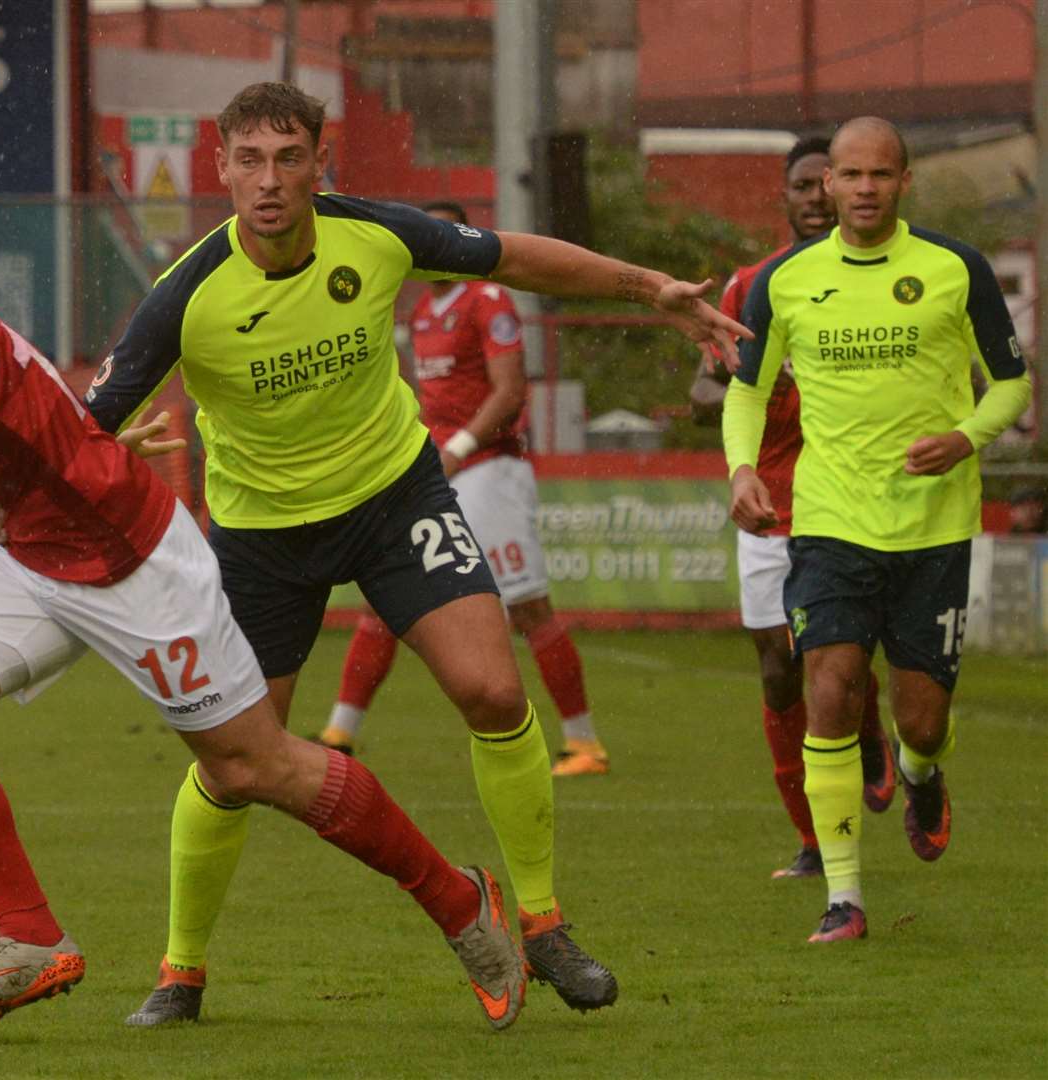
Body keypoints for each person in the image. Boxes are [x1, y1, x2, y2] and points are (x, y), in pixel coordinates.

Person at [0, 182, 532, 1032]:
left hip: (127, 557)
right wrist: (51, 458)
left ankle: (460, 904)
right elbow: (13, 386)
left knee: (253, 767)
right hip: (36, 547)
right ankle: (28, 940)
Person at [85, 81, 748, 1024]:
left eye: (287, 158)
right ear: (221, 169)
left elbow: (517, 259)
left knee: (492, 691)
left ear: (322, 164)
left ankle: (543, 924)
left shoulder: (378, 235)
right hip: (261, 536)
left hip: (396, 498)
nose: (267, 181)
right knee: (238, 761)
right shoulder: (182, 298)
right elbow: (78, 427)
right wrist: (32, 481)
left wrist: (649, 289)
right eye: (248, 161)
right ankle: (179, 971)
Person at [724, 117, 1032, 943]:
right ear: (826, 185)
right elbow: (745, 391)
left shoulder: (953, 268)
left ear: (904, 183)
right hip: (828, 519)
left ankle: (920, 772)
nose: (862, 189)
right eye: (848, 175)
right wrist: (742, 468)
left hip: (932, 525)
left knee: (921, 719)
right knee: (827, 687)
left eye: (879, 175)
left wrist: (964, 436)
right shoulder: (783, 280)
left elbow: (1010, 383)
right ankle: (845, 898)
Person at [317, 201, 606, 778]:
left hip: (488, 471)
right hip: (437, 474)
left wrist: (458, 450)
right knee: (385, 598)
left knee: (527, 607)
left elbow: (509, 392)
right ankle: (338, 733)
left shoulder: (488, 299)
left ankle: (584, 744)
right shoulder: (424, 310)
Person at [690, 136, 895, 879]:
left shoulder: (884, 279)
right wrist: (748, 384)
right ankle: (810, 838)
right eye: (800, 185)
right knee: (778, 668)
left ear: (844, 190)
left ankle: (868, 736)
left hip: (847, 493)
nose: (813, 196)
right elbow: (705, 388)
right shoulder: (751, 283)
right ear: (785, 196)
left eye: (824, 182)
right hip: (771, 498)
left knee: (828, 652)